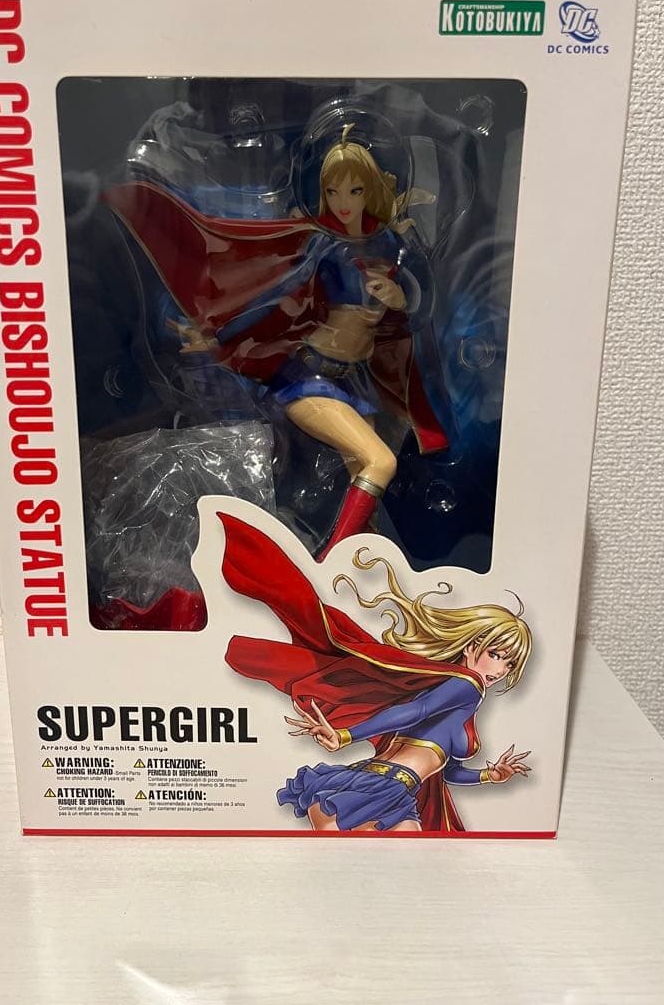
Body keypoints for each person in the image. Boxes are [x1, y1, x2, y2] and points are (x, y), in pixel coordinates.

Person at [104, 121, 449, 557]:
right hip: (309, 379)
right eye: (333, 192)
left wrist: (402, 297)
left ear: (373, 188)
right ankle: (327, 566)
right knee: (381, 462)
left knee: (364, 491)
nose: (342, 203)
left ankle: (353, 568)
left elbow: (418, 303)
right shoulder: (319, 245)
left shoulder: (388, 246)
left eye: (355, 191)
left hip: (354, 384)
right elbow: (273, 298)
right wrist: (217, 336)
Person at [219, 512, 532, 833]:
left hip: (385, 787)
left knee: (384, 859)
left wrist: (488, 776)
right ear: (471, 647)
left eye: (509, 663)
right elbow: (416, 710)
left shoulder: (451, 697)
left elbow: (447, 772)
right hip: (382, 788)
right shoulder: (468, 685)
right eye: (495, 654)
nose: (499, 669)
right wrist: (345, 735)